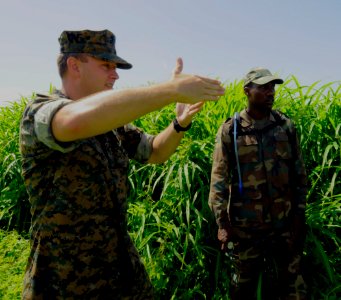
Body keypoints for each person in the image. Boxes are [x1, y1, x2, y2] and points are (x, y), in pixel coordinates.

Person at [19, 29, 225, 299]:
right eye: (106, 65)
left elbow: (154, 152)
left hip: (120, 265)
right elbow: (73, 122)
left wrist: (180, 123)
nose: (115, 74)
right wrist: (170, 89)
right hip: (63, 277)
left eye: (116, 67)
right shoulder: (40, 111)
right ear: (74, 65)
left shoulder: (113, 125)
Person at [208, 67, 308, 299]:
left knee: (294, 286)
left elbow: (299, 174)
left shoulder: (285, 126)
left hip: (284, 225)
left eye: (272, 87)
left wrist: (299, 215)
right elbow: (219, 180)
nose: (270, 92)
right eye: (263, 87)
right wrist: (222, 224)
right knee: (242, 289)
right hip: (246, 229)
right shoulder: (231, 130)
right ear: (247, 91)